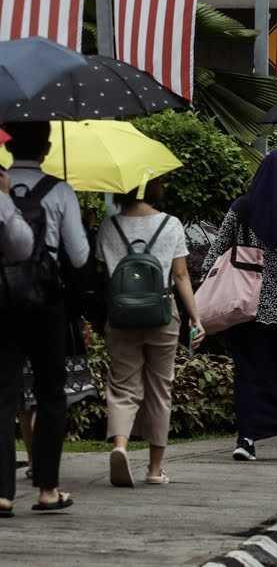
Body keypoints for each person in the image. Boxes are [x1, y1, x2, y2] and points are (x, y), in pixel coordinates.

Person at [202, 151, 277, 461]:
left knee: (248, 372)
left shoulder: (241, 209)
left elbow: (215, 254)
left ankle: (246, 439)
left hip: (244, 307)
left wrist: (208, 287)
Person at [0, 121, 90, 513]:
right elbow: (81, 255)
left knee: (3, 394)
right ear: (48, 146)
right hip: (46, 302)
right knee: (52, 394)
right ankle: (47, 489)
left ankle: (2, 493)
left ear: (8, 143)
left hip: (2, 299)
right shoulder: (60, 190)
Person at [96, 178, 203, 487]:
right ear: (153, 188)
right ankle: (155, 469)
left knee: (121, 385)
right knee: (160, 388)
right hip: (161, 314)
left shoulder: (109, 226)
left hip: (121, 315)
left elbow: (106, 271)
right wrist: (196, 317)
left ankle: (120, 445)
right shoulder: (171, 224)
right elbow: (180, 274)